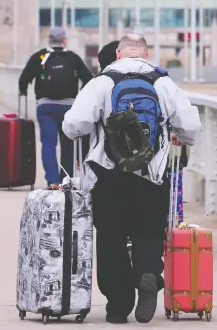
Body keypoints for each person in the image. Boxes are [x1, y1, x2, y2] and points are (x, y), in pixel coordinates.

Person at [62, 34, 201, 324]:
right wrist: (178, 135)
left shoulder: (102, 82)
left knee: (111, 237)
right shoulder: (162, 82)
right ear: (146, 54)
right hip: (152, 174)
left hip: (109, 174)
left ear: (118, 53)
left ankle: (118, 305)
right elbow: (190, 127)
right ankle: (148, 273)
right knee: (148, 231)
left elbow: (74, 124)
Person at [18, 27, 93, 186]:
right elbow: (88, 78)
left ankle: (52, 181)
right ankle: (65, 180)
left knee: (48, 144)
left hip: (45, 107)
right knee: (68, 146)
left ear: (49, 40)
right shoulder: (72, 58)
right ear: (64, 40)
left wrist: (22, 90)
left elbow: (24, 78)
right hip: (69, 108)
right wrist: (79, 96)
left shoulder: (40, 56)